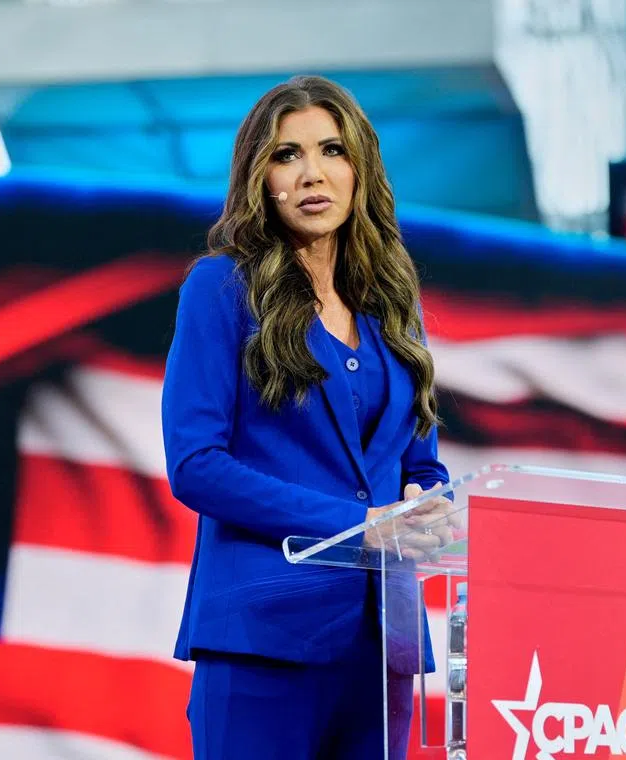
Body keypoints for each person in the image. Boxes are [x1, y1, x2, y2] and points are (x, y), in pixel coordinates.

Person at [161, 74, 455, 760]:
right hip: (264, 634)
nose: (312, 173)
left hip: (384, 645)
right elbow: (195, 465)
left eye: (331, 150)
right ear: (260, 178)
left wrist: (425, 504)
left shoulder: (391, 303)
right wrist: (361, 527)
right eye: (286, 155)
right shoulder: (221, 289)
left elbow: (420, 462)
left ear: (361, 169)